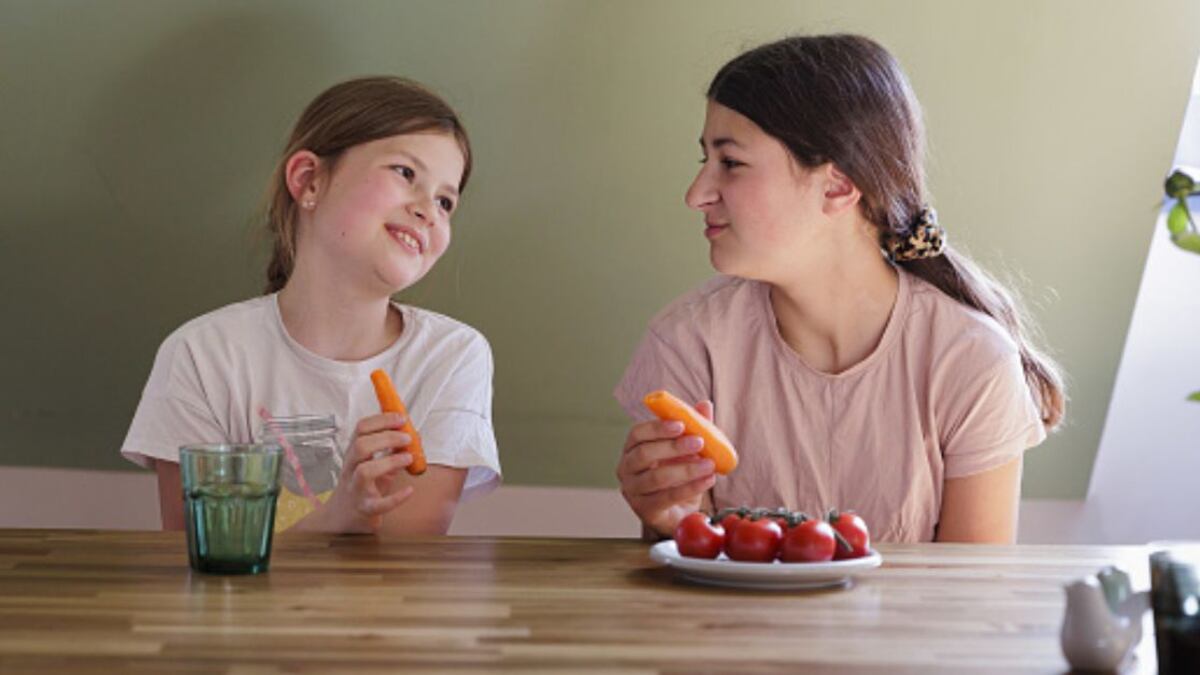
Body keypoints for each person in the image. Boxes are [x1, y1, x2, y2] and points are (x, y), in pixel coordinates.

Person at [614, 35, 1064, 544]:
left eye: (731, 163)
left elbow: (972, 595)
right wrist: (665, 521)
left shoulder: (972, 362)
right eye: (705, 161)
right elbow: (684, 579)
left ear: (836, 186)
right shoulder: (687, 342)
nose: (696, 194)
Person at [122, 76, 501, 535]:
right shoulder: (201, 355)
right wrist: (339, 515)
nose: (428, 209)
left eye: (446, 201)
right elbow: (202, 556)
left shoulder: (453, 356)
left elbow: (407, 558)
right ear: (309, 180)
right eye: (405, 173)